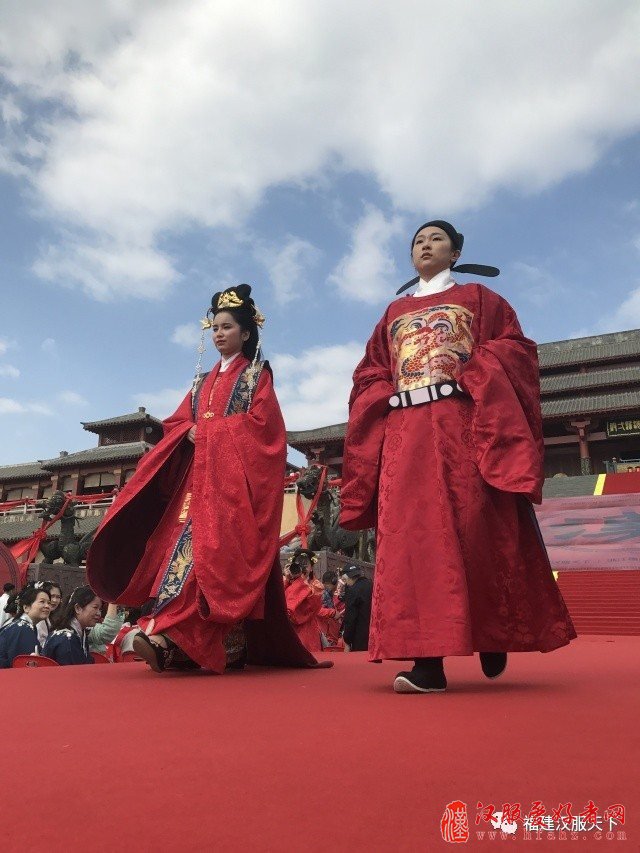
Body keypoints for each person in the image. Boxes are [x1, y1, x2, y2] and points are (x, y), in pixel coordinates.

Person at [340, 219, 576, 693]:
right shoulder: (393, 312)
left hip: (464, 423)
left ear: (455, 252)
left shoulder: (482, 300)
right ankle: (428, 664)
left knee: (479, 526)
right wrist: (384, 396)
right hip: (407, 434)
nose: (425, 246)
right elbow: (370, 371)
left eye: (437, 240)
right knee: (414, 538)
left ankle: (493, 631)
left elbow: (514, 350)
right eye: (418, 241)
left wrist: (477, 371)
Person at [87, 284, 329, 675]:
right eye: (213, 327)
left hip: (231, 492)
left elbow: (267, 432)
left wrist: (212, 433)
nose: (218, 333)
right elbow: (178, 421)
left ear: (246, 334)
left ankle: (177, 639)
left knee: (212, 561)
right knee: (181, 555)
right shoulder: (201, 383)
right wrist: (187, 431)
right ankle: (175, 642)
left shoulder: (256, 378)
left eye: (227, 326)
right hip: (196, 488)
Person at [44, 586, 101, 665]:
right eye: (95, 607)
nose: (99, 613)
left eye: (100, 609)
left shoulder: (79, 633)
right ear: (78, 608)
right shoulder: (67, 639)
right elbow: (71, 675)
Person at [0, 584, 51, 667]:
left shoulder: (23, 626)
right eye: (42, 602)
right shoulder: (22, 629)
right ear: (26, 607)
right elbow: (22, 665)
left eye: (49, 603)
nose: (47, 606)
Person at [284, 551, 323, 653]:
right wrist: (287, 579)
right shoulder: (288, 582)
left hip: (307, 631)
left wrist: (298, 581)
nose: (302, 568)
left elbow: (309, 608)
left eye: (305, 565)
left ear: (311, 568)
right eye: (298, 565)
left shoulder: (316, 586)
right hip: (288, 628)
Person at [340, 565, 372, 652]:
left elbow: (350, 617)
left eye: (345, 580)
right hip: (374, 634)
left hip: (360, 636)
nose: (346, 584)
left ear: (349, 578)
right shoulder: (372, 585)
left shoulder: (353, 590)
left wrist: (347, 639)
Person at [36, 581, 62, 647]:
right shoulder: (39, 619)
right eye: (52, 596)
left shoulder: (49, 618)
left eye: (58, 597)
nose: (55, 600)